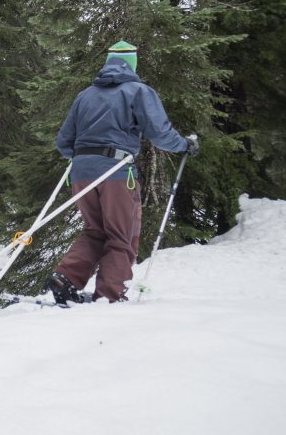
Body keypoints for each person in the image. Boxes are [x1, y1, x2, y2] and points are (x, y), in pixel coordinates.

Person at [47, 40, 199, 304]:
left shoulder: (85, 95)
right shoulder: (138, 91)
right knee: (122, 235)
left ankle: (66, 277)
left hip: (81, 172)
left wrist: (87, 159)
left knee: (94, 231)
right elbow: (160, 134)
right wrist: (185, 144)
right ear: (133, 64)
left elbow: (64, 143)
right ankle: (110, 295)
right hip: (116, 171)